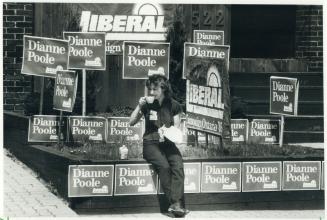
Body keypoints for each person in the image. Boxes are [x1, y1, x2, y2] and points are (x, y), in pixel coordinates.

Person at [129, 74, 189, 217]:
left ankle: (177, 204)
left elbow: (176, 129)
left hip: (167, 144)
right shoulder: (147, 104)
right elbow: (131, 122)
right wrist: (139, 105)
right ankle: (174, 203)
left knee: (178, 166)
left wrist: (167, 132)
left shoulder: (174, 105)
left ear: (163, 88)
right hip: (150, 144)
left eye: (154, 89)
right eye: (150, 89)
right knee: (164, 166)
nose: (151, 92)